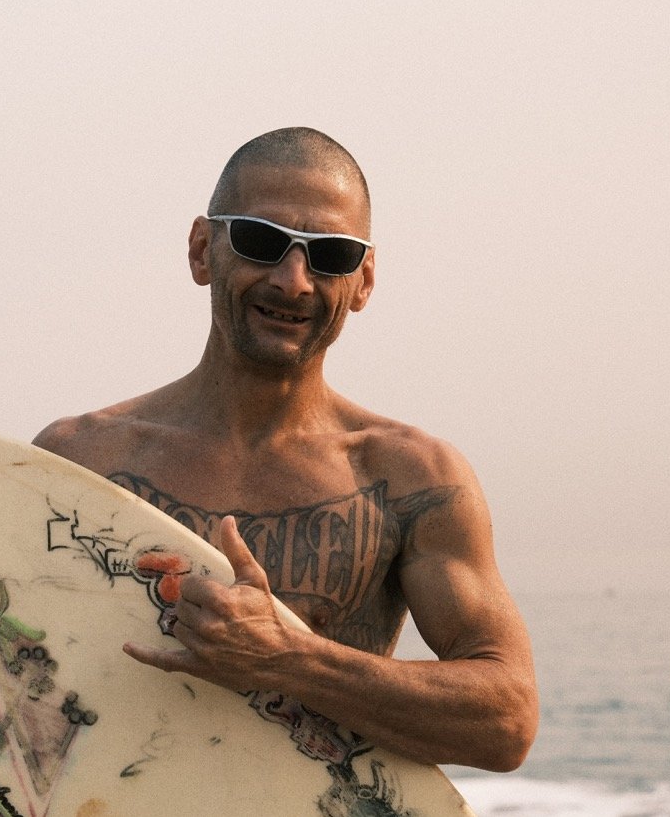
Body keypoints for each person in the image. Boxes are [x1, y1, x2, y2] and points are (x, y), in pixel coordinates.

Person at [34, 127, 538, 772]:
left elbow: (506, 722)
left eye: (331, 254)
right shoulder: (83, 460)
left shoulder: (410, 477)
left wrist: (288, 659)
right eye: (261, 242)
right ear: (200, 251)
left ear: (363, 281)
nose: (294, 281)